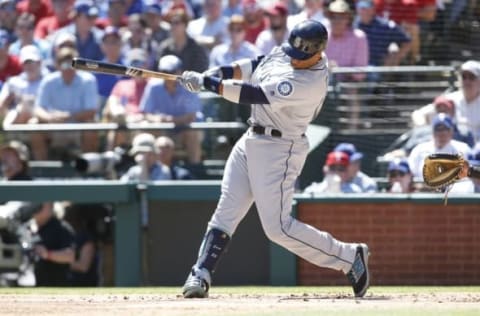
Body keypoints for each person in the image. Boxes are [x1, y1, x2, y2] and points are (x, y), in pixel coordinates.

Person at [179, 19, 370, 298]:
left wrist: (210, 84)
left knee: (278, 228)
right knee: (227, 210)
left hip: (280, 148)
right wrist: (213, 73)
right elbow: (255, 65)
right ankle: (200, 273)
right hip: (252, 138)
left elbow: (253, 93)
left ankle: (348, 256)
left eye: (302, 56)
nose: (294, 59)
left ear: (318, 52)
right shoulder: (291, 50)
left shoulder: (309, 81)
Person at [0, 141, 76, 286]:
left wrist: (47, 254)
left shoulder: (30, 184)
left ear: (21, 160)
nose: (4, 160)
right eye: (2, 156)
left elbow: (70, 256)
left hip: (22, 247)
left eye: (9, 156)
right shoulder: (3, 183)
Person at [30, 47, 99, 160]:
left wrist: (69, 116)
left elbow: (91, 111)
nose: (69, 69)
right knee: (33, 124)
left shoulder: (88, 80)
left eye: (73, 64)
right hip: (53, 127)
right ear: (57, 65)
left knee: (91, 124)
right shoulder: (48, 81)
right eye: (65, 65)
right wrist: (50, 118)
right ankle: (42, 167)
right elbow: (38, 109)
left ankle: (88, 167)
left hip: (79, 126)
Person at [140, 55, 204, 164]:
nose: (167, 75)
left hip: (184, 129)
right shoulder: (153, 86)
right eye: (163, 71)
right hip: (162, 129)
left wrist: (168, 120)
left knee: (192, 132)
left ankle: (195, 169)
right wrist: (159, 120)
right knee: (147, 128)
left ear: (180, 71)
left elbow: (191, 117)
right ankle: (152, 168)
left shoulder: (190, 85)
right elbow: (146, 113)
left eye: (171, 71)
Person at [408, 113, 471, 180]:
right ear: (432, 131)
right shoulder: (419, 149)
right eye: (438, 129)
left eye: (445, 129)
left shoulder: (463, 149)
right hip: (423, 188)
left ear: (451, 131)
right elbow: (410, 173)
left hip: (455, 189)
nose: (442, 133)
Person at [0, 45, 45, 129]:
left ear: (39, 62)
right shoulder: (13, 82)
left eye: (32, 62)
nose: (29, 66)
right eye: (26, 63)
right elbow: (1, 105)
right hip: (17, 119)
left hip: (41, 121)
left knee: (34, 123)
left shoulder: (48, 81)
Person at [355, 0, 411, 67]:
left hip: (375, 66)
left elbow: (407, 42)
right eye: (361, 9)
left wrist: (395, 58)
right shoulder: (353, 25)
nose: (363, 12)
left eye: (366, 9)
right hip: (354, 65)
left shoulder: (385, 26)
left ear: (373, 10)